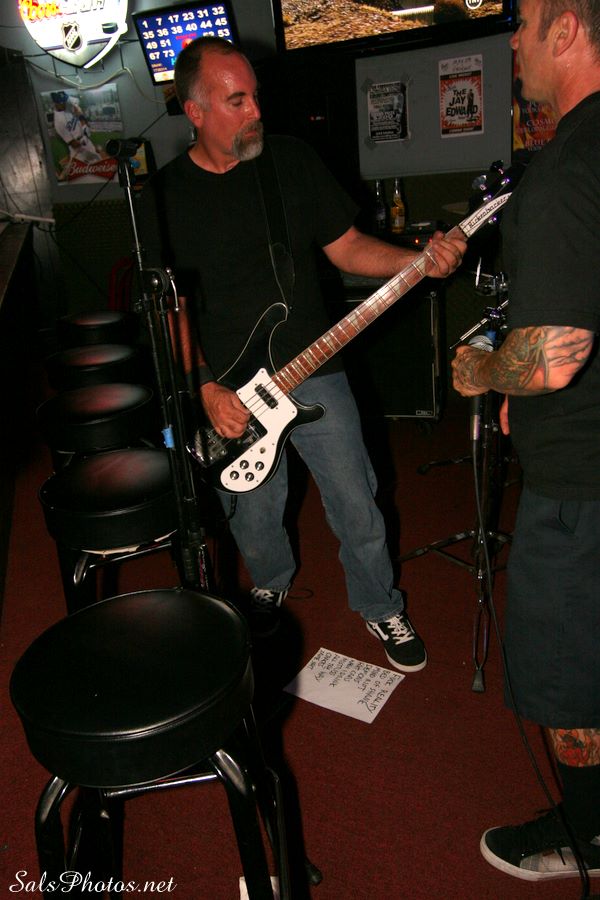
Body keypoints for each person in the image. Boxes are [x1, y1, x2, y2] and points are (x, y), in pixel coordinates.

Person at [138, 36, 466, 673]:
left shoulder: (288, 160)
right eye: (237, 101)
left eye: (255, 96)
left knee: (356, 497)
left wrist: (417, 262)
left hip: (315, 367)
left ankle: (379, 603)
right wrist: (203, 386)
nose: (256, 112)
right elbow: (170, 309)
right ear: (195, 111)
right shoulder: (163, 198)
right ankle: (268, 583)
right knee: (253, 509)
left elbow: (348, 249)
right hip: (229, 386)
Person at [452, 0, 600, 882]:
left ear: (567, 30)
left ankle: (589, 833)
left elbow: (552, 356)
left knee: (568, 675)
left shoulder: (564, 169)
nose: (512, 40)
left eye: (525, 21)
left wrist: (482, 370)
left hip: (582, 483)